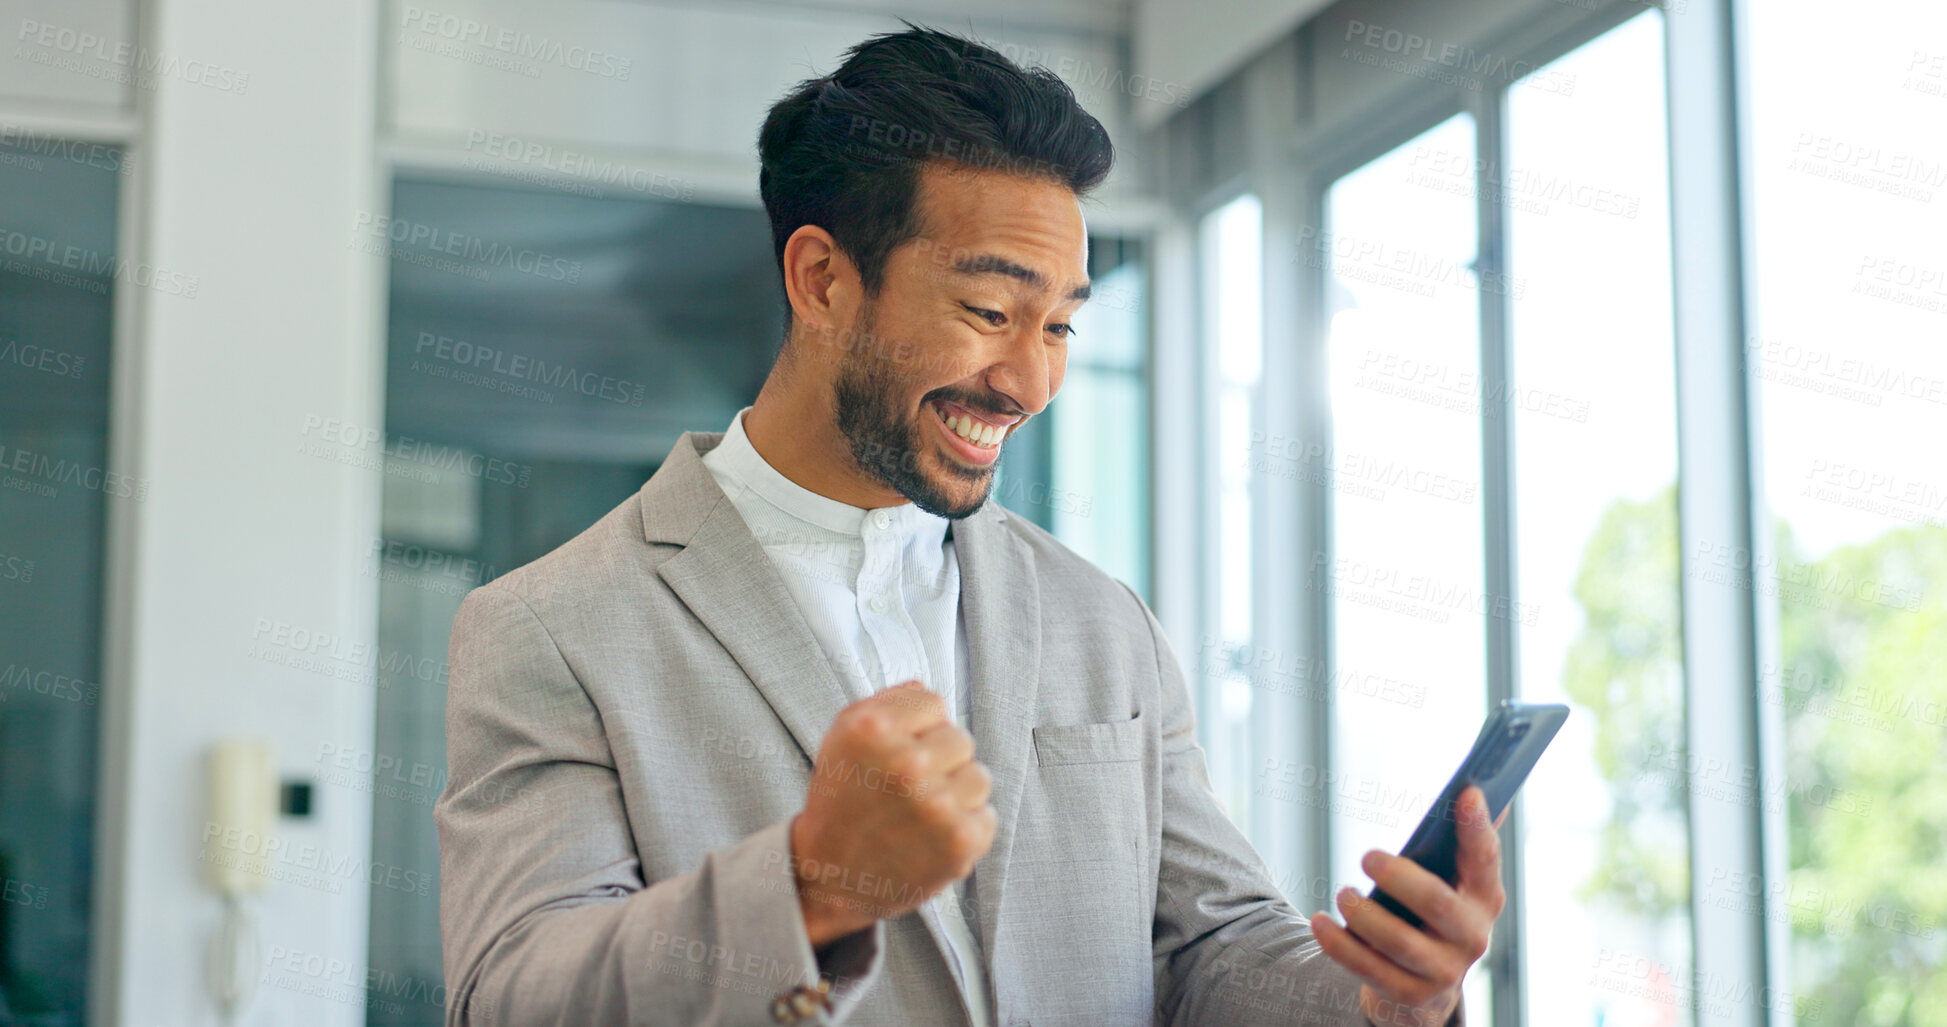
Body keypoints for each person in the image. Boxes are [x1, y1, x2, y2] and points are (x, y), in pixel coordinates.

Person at [435, 24, 1504, 1027]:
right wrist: (809, 889)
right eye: (990, 313)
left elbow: (1207, 945)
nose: (1029, 379)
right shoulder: (553, 625)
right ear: (821, 281)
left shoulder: (1102, 620)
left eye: (1062, 325)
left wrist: (1378, 998)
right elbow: (515, 994)